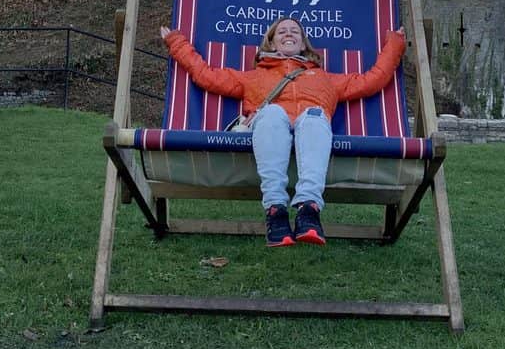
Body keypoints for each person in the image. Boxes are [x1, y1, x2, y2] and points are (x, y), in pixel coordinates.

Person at [160, 17, 406, 247]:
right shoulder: (254, 77)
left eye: (295, 31)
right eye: (282, 31)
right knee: (273, 113)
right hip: (270, 129)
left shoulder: (326, 79)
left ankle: (308, 209)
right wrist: (176, 42)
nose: (289, 34)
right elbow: (206, 76)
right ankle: (275, 208)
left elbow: (373, 80)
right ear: (272, 41)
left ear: (303, 44)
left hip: (311, 130)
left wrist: (395, 44)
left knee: (315, 116)